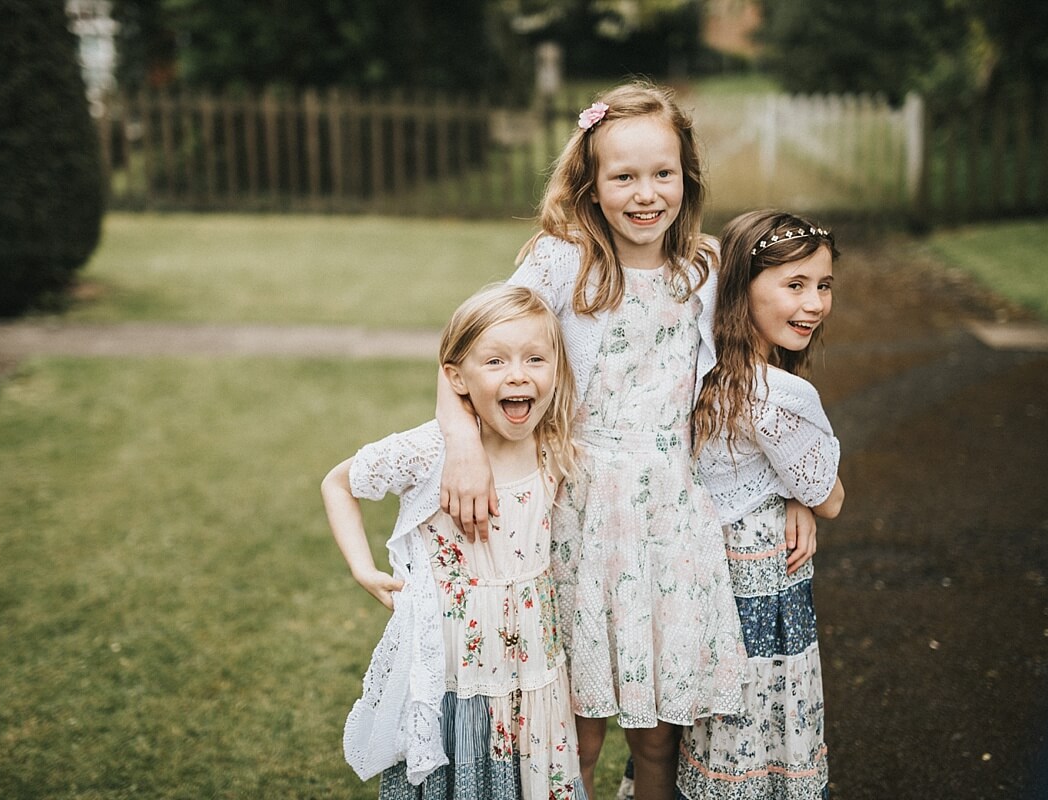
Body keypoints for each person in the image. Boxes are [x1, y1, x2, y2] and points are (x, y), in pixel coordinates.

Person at [437, 81, 759, 800]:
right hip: (576, 519)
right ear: (591, 183)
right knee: (573, 728)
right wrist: (462, 442)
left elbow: (753, 389)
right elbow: (467, 353)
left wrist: (796, 490)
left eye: (662, 174)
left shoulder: (704, 270)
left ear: (687, 176)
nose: (645, 194)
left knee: (657, 735)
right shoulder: (562, 263)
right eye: (623, 176)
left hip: (670, 526)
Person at [321, 283, 589, 799]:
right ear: (457, 377)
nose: (518, 375)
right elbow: (338, 483)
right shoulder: (430, 452)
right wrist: (361, 566)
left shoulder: (553, 444)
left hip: (531, 661)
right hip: (454, 668)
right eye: (495, 362)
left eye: (536, 358)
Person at [677, 209, 845, 800]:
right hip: (759, 582)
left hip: (708, 572)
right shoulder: (781, 394)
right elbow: (829, 498)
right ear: (741, 289)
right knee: (763, 712)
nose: (815, 303)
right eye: (793, 285)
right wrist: (801, 494)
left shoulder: (707, 369)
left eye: (823, 285)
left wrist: (786, 491)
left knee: (710, 720)